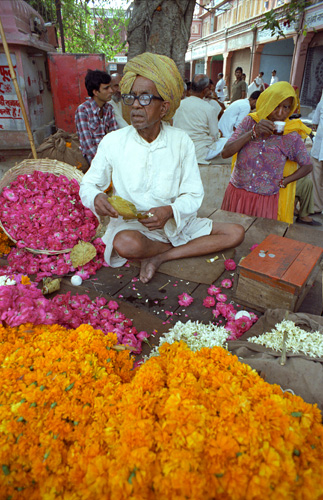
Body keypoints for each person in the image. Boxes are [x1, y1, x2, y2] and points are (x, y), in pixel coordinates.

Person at [79, 53, 244, 284]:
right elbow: (88, 183)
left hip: (176, 221)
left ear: (164, 107)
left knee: (235, 233)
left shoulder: (181, 141)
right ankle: (168, 248)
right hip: (134, 226)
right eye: (131, 97)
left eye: (145, 98)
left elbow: (193, 194)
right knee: (126, 244)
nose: (136, 105)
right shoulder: (113, 141)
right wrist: (95, 196)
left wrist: (169, 211)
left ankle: (161, 256)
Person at [221, 82, 313, 224]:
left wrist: (285, 182)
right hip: (237, 193)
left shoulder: (290, 135)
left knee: (257, 242)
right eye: (276, 106)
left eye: (286, 107)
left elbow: (307, 165)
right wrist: (253, 132)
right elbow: (226, 152)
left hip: (265, 200)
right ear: (268, 103)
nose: (280, 113)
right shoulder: (250, 121)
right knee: (230, 236)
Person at [173, 74, 225, 163]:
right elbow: (214, 135)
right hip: (199, 153)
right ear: (205, 90)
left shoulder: (179, 105)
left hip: (179, 150)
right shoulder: (209, 108)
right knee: (226, 140)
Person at [75, 69, 118, 165]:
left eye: (110, 87)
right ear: (95, 92)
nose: (111, 91)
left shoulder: (109, 108)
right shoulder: (83, 110)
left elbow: (115, 137)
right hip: (92, 161)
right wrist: (105, 163)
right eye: (106, 88)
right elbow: (88, 146)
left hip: (109, 158)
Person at [310, 98, 323, 214]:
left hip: (319, 148)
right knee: (316, 177)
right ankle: (317, 206)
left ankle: (317, 206)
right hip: (319, 148)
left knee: (317, 178)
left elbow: (315, 122)